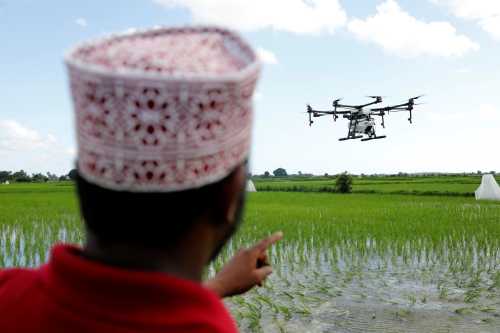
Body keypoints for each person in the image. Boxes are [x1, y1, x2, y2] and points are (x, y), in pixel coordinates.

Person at [0, 26, 282, 332]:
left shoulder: (8, 292)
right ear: (228, 195)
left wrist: (218, 286)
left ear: (83, 180)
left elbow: (128, 313)